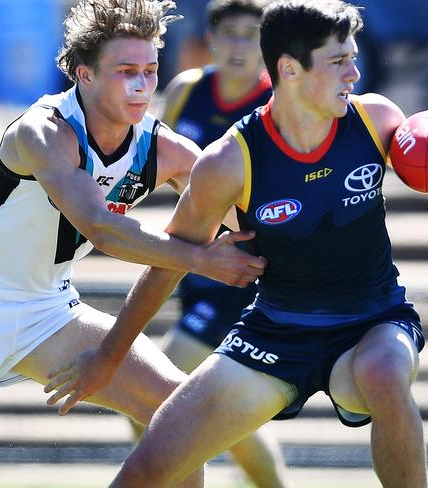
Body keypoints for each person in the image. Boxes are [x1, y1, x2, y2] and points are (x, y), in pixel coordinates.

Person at [43, 1, 428, 487]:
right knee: (147, 469)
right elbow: (167, 262)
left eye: (353, 57)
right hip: (274, 332)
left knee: (386, 373)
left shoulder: (376, 118)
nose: (355, 72)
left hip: (373, 322)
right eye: (339, 61)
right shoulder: (228, 162)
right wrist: (108, 356)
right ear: (289, 69)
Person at [0, 1, 267, 487]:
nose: (142, 86)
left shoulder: (162, 147)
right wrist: (200, 259)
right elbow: (100, 228)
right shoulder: (44, 130)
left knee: (177, 410)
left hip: (47, 310)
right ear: (84, 75)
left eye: (150, 70)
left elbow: (251, 216)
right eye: (126, 71)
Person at [155, 1, 290, 486]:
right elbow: (157, 164)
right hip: (197, 261)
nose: (238, 45)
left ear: (269, 47)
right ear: (210, 38)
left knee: (156, 387)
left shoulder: (278, 103)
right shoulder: (186, 90)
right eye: (229, 32)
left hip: (247, 268)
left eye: (251, 34)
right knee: (217, 412)